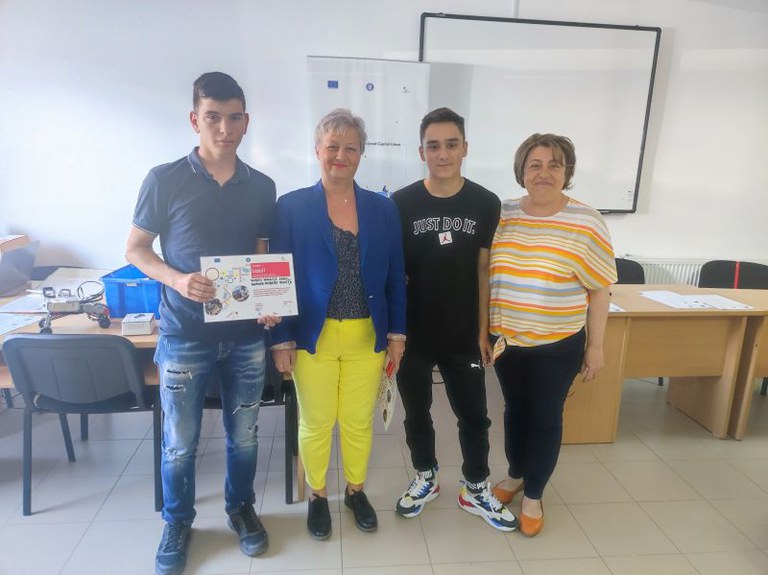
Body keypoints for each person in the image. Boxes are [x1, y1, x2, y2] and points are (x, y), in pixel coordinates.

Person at [125, 72, 278, 575]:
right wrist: (176, 279)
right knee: (179, 442)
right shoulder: (164, 178)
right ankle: (177, 522)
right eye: (213, 117)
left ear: (246, 121)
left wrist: (266, 301)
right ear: (195, 119)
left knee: (245, 434)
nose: (225, 129)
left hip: (245, 337)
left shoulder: (263, 186)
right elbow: (136, 250)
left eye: (234, 118)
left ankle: (241, 509)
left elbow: (260, 258)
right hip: (183, 334)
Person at [269, 109, 406, 540]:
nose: (340, 155)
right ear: (317, 150)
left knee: (357, 421)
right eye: (332, 146)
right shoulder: (291, 207)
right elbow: (277, 277)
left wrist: (397, 334)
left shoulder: (383, 208)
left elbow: (396, 275)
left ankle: (355, 491)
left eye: (350, 147)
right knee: (315, 421)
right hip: (313, 335)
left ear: (362, 153)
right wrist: (280, 339)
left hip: (367, 334)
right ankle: (317, 495)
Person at [391, 107, 517, 531]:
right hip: (414, 333)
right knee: (416, 413)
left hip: (463, 332)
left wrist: (483, 331)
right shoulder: (401, 203)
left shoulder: (485, 202)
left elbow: (484, 270)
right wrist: (395, 334)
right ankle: (425, 476)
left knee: (474, 415)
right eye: (433, 146)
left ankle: (475, 487)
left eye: (451, 144)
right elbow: (396, 274)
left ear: (465, 148)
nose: (442, 154)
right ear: (421, 152)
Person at [489, 133, 617, 537]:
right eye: (535, 165)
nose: (543, 173)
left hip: (558, 344)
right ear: (522, 171)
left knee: (545, 417)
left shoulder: (586, 221)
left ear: (567, 172)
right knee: (514, 411)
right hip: (507, 341)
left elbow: (600, 290)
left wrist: (596, 346)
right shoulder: (503, 214)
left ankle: (534, 495)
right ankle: (515, 474)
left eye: (554, 165)